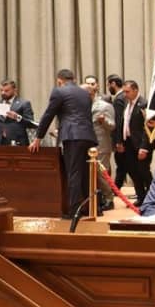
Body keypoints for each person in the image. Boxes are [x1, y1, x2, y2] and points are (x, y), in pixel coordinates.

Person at [28, 69, 98, 216]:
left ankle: (74, 211)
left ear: (59, 80)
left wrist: (38, 138)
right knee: (87, 174)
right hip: (88, 135)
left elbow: (48, 115)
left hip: (72, 136)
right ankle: (92, 209)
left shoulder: (59, 91)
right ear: (74, 78)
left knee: (74, 173)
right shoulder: (85, 93)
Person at [112, 80, 152, 206]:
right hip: (128, 143)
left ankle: (152, 198)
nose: (125, 94)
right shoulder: (126, 103)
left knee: (144, 172)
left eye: (127, 92)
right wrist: (119, 141)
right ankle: (141, 197)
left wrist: (144, 147)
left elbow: (149, 127)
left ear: (135, 90)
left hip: (141, 144)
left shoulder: (144, 104)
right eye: (124, 92)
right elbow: (121, 123)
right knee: (133, 172)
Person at [83, 82, 116, 210]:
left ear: (90, 93)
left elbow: (112, 126)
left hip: (101, 145)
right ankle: (98, 199)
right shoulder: (83, 105)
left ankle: (109, 199)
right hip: (87, 144)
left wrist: (104, 121)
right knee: (91, 174)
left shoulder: (105, 106)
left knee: (101, 174)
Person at [0, 79, 34, 146]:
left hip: (18, 142)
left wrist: (17, 117)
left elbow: (31, 123)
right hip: (0, 142)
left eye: (6, 91)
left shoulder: (24, 103)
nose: (3, 93)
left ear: (14, 90)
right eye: (1, 90)